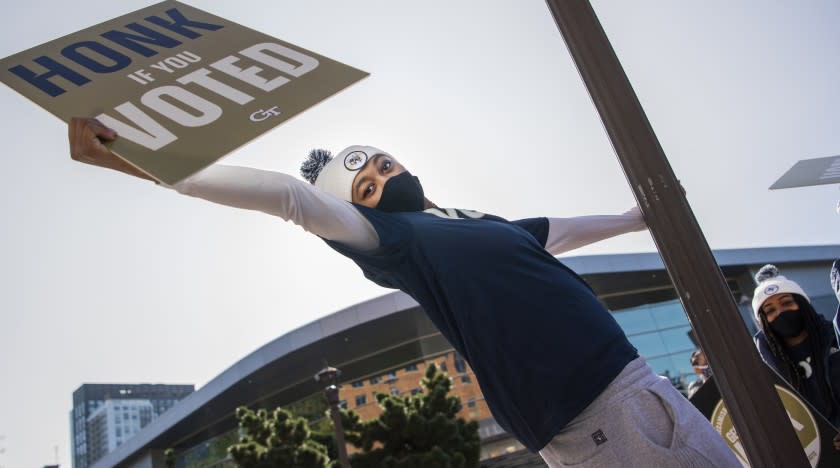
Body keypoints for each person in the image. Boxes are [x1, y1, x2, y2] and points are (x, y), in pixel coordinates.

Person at [68, 117, 738, 467]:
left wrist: (630, 219)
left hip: (638, 384)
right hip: (592, 415)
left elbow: (550, 232)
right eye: (364, 186)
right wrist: (143, 163)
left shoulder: (467, 222)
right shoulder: (393, 240)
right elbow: (286, 196)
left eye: (383, 164)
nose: (382, 177)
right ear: (360, 212)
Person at [751, 264, 840, 430]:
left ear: (802, 304)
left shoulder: (836, 339)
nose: (781, 312)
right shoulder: (766, 372)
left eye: (786, 303)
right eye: (770, 310)